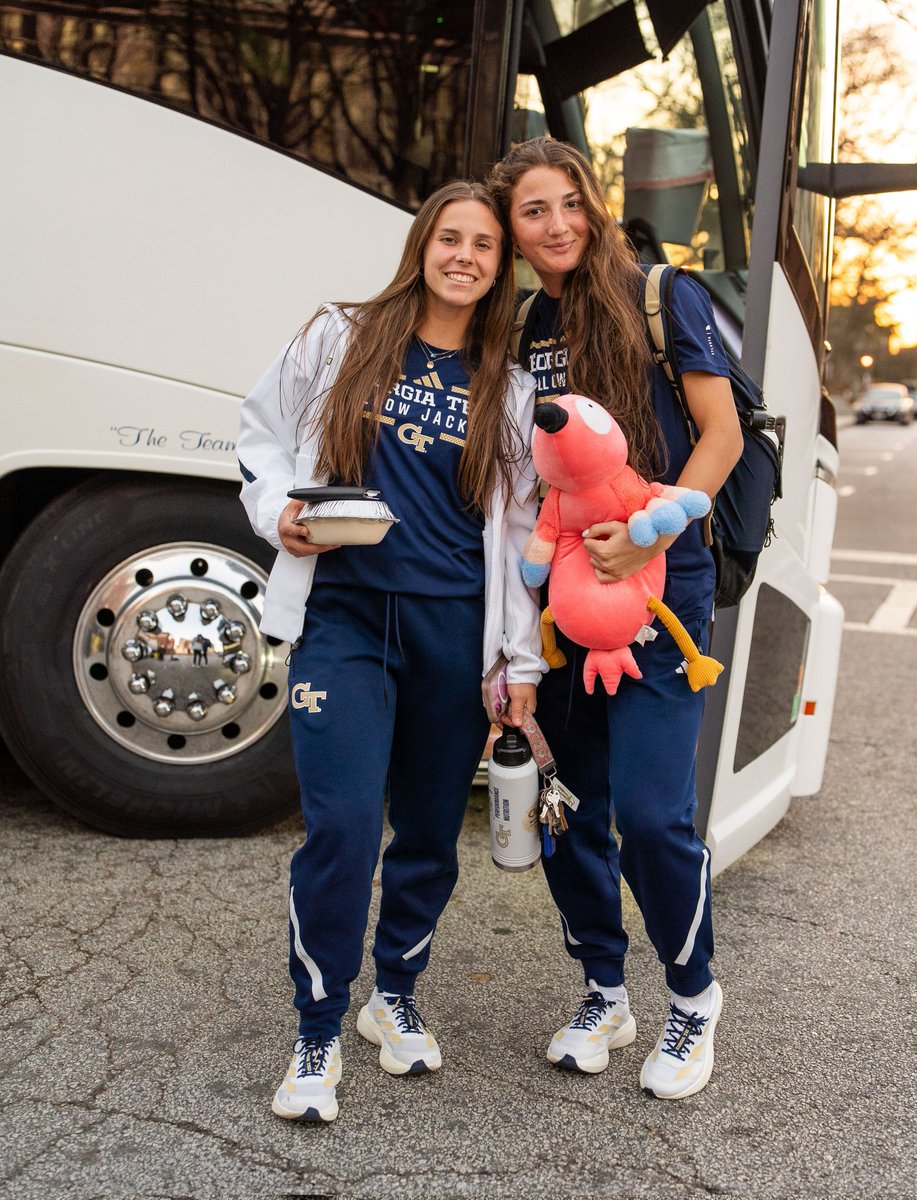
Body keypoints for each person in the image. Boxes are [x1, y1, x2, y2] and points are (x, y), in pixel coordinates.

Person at [237, 181, 542, 1123]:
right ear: (421, 245)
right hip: (346, 618)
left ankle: (395, 994)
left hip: (453, 630)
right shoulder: (340, 335)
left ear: (500, 266)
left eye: (483, 245)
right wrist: (278, 511)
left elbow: (517, 533)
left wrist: (518, 665)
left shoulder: (510, 388)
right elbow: (259, 434)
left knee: (428, 832)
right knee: (339, 827)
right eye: (450, 237)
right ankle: (317, 1030)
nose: (464, 256)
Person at [488, 138, 743, 1099]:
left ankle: (692, 997)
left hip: (660, 597)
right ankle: (604, 990)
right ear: (513, 232)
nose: (556, 225)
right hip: (563, 604)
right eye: (533, 211)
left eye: (568, 203)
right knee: (569, 805)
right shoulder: (522, 325)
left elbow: (720, 433)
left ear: (593, 205)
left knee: (650, 812)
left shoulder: (662, 295)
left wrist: (648, 536)